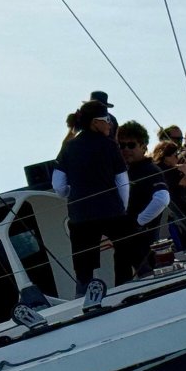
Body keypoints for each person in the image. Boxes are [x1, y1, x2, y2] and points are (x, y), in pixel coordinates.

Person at [53, 101, 129, 293]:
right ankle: (126, 286)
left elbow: (58, 186)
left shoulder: (68, 148)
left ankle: (83, 297)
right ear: (95, 123)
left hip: (81, 215)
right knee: (128, 248)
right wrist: (123, 208)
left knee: (83, 266)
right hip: (111, 211)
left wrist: (71, 194)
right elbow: (122, 181)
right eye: (106, 120)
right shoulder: (109, 145)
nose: (110, 124)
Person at [114, 121, 170, 282]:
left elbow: (162, 198)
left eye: (131, 145)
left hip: (143, 240)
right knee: (122, 279)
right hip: (125, 240)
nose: (125, 150)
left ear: (144, 146)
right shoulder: (124, 172)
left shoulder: (150, 170)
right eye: (121, 145)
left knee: (148, 277)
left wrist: (138, 222)